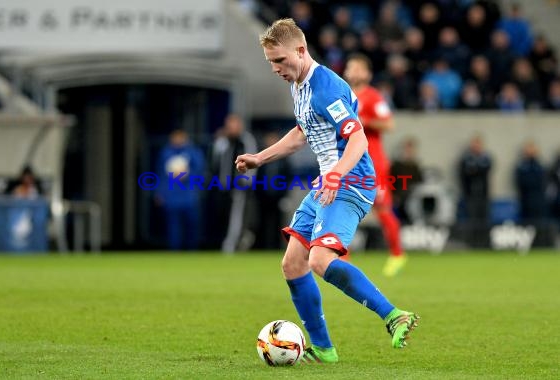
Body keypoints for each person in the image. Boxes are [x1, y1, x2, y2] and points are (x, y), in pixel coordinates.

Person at [235, 18, 419, 364]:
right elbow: (302, 132)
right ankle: (323, 349)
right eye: (270, 62)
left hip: (352, 181)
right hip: (329, 180)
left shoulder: (327, 88)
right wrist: (261, 157)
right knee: (292, 264)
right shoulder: (298, 84)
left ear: (301, 51)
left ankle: (394, 315)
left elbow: (358, 137)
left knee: (320, 259)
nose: (276, 68)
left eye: (280, 60)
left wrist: (335, 175)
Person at [343, 53, 408, 277]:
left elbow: (389, 124)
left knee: (382, 208)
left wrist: (366, 121)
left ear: (368, 74)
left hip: (372, 163)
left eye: (359, 68)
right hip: (347, 161)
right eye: (351, 68)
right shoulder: (342, 94)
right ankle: (344, 258)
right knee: (344, 207)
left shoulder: (373, 97)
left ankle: (397, 254)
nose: (355, 72)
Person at [210, 114, 258, 253]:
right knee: (223, 216)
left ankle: (231, 244)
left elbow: (253, 160)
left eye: (234, 124)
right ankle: (239, 237)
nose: (231, 128)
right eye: (229, 125)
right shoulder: (222, 142)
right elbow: (216, 161)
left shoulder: (246, 140)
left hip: (239, 187)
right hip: (223, 186)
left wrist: (246, 181)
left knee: (236, 217)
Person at [155, 129, 205, 250]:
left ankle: (192, 250)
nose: (177, 140)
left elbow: (200, 171)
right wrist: (159, 193)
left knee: (192, 225)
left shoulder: (193, 152)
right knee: (173, 226)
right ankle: (174, 251)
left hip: (189, 195)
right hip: (172, 196)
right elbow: (160, 174)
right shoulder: (166, 153)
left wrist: (187, 175)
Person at [458, 135, 492, 225]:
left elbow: (485, 170)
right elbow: (465, 173)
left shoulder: (486, 158)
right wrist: (477, 170)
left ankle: (483, 238)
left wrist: (474, 170)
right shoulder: (466, 158)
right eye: (474, 144)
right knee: (472, 219)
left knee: (484, 218)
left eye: (478, 144)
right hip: (470, 194)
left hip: (483, 194)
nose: (476, 146)